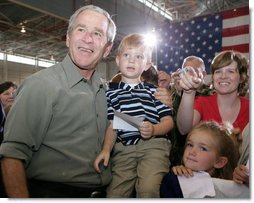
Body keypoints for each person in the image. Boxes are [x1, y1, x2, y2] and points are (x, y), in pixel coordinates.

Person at [0, 5, 116, 198]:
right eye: (81, 29)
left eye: (97, 33)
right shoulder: (40, 85)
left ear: (107, 49)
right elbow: (12, 154)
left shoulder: (109, 93)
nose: (88, 38)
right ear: (68, 38)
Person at [94, 33, 174, 198]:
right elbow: (113, 125)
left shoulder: (155, 92)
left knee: (147, 190)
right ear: (117, 60)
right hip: (124, 149)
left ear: (146, 65)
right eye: (127, 55)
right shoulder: (111, 94)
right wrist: (106, 149)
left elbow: (168, 122)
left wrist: (153, 129)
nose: (132, 60)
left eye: (139, 56)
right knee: (115, 194)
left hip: (153, 146)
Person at [177, 50, 249, 135]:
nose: (223, 76)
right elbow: (184, 130)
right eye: (218, 71)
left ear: (242, 77)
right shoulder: (202, 103)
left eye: (230, 71)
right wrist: (189, 92)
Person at [160, 121, 240, 198]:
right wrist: (177, 177)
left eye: (203, 148)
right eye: (190, 145)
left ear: (219, 162)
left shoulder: (228, 189)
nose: (192, 152)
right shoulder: (173, 180)